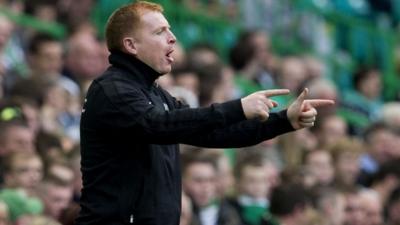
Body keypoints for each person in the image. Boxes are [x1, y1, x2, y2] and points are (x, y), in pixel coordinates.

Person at [76, 1, 334, 225]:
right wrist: (238, 107)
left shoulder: (155, 94)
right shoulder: (112, 89)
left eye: (169, 29)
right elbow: (156, 125)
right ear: (131, 45)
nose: (172, 37)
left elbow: (214, 133)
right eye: (159, 31)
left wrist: (283, 121)